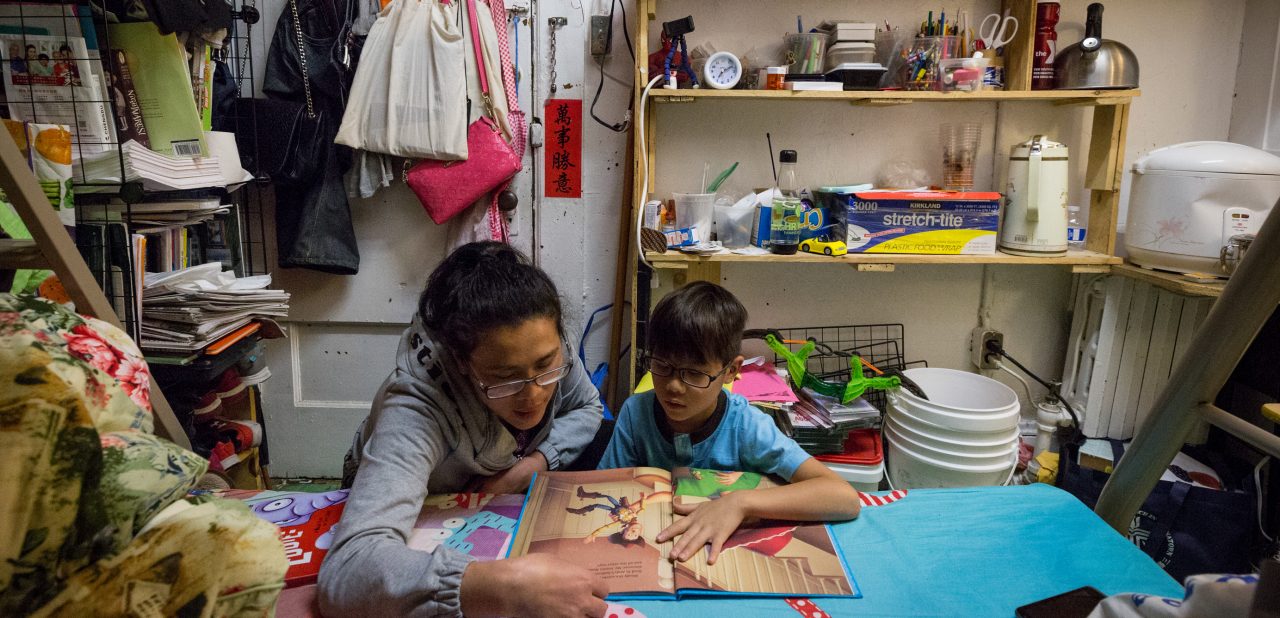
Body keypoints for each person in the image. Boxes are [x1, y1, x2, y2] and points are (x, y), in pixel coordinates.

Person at [318, 242, 609, 618]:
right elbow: (348, 571)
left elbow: (587, 406)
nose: (534, 394)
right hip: (427, 504)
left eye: (545, 365)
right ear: (461, 361)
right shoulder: (416, 406)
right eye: (505, 378)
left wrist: (528, 467)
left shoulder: (552, 350)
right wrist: (498, 589)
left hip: (496, 489)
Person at [598, 281, 861, 565]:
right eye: (662, 366)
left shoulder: (746, 425)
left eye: (694, 374)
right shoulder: (635, 413)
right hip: (656, 549)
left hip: (723, 558)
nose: (673, 386)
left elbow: (843, 497)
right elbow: (605, 487)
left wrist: (740, 502)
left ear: (731, 371)